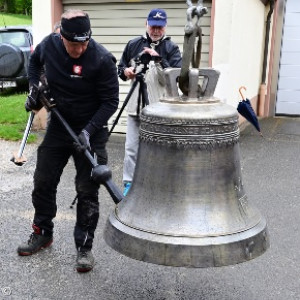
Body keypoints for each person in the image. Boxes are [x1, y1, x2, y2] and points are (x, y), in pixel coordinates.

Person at [17, 9, 119, 273]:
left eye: (84, 43)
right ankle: (42, 232)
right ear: (61, 37)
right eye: (73, 44)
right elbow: (34, 64)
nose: (79, 49)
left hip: (91, 131)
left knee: (88, 189)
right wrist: (34, 88)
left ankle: (84, 248)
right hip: (60, 125)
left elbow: (110, 102)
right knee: (43, 179)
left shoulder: (102, 59)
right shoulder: (49, 45)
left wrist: (88, 131)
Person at [118, 8, 182, 196]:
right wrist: (126, 72)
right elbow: (120, 68)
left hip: (161, 108)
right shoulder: (133, 44)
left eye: (160, 27)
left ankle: (160, 184)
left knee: (161, 148)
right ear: (146, 24)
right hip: (136, 106)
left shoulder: (171, 48)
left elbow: (175, 77)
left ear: (165, 27)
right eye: (153, 26)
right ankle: (129, 185)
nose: (156, 31)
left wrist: (158, 59)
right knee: (131, 148)